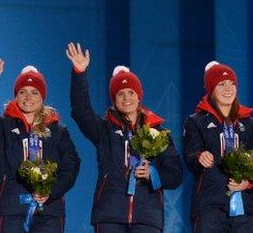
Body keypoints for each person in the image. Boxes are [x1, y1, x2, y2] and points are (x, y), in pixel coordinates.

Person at [66, 42, 183, 232]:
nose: (126, 97)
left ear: (139, 97)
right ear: (114, 100)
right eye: (120, 94)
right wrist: (79, 73)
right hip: (109, 214)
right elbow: (81, 111)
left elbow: (176, 174)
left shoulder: (157, 132)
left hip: (147, 217)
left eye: (131, 92)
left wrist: (153, 174)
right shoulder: (104, 130)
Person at [0, 59, 80, 232]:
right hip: (10, 210)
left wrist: (51, 192)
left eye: (34, 92)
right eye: (22, 92)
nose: (28, 97)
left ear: (42, 98)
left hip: (49, 212)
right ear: (16, 96)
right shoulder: (4, 127)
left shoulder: (58, 132)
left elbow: (71, 166)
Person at [183, 61, 253, 232]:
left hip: (244, 208)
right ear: (211, 89)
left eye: (232, 84)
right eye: (221, 84)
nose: (228, 88)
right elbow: (189, 156)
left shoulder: (250, 124)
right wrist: (199, 157)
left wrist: (248, 183)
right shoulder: (195, 121)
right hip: (208, 206)